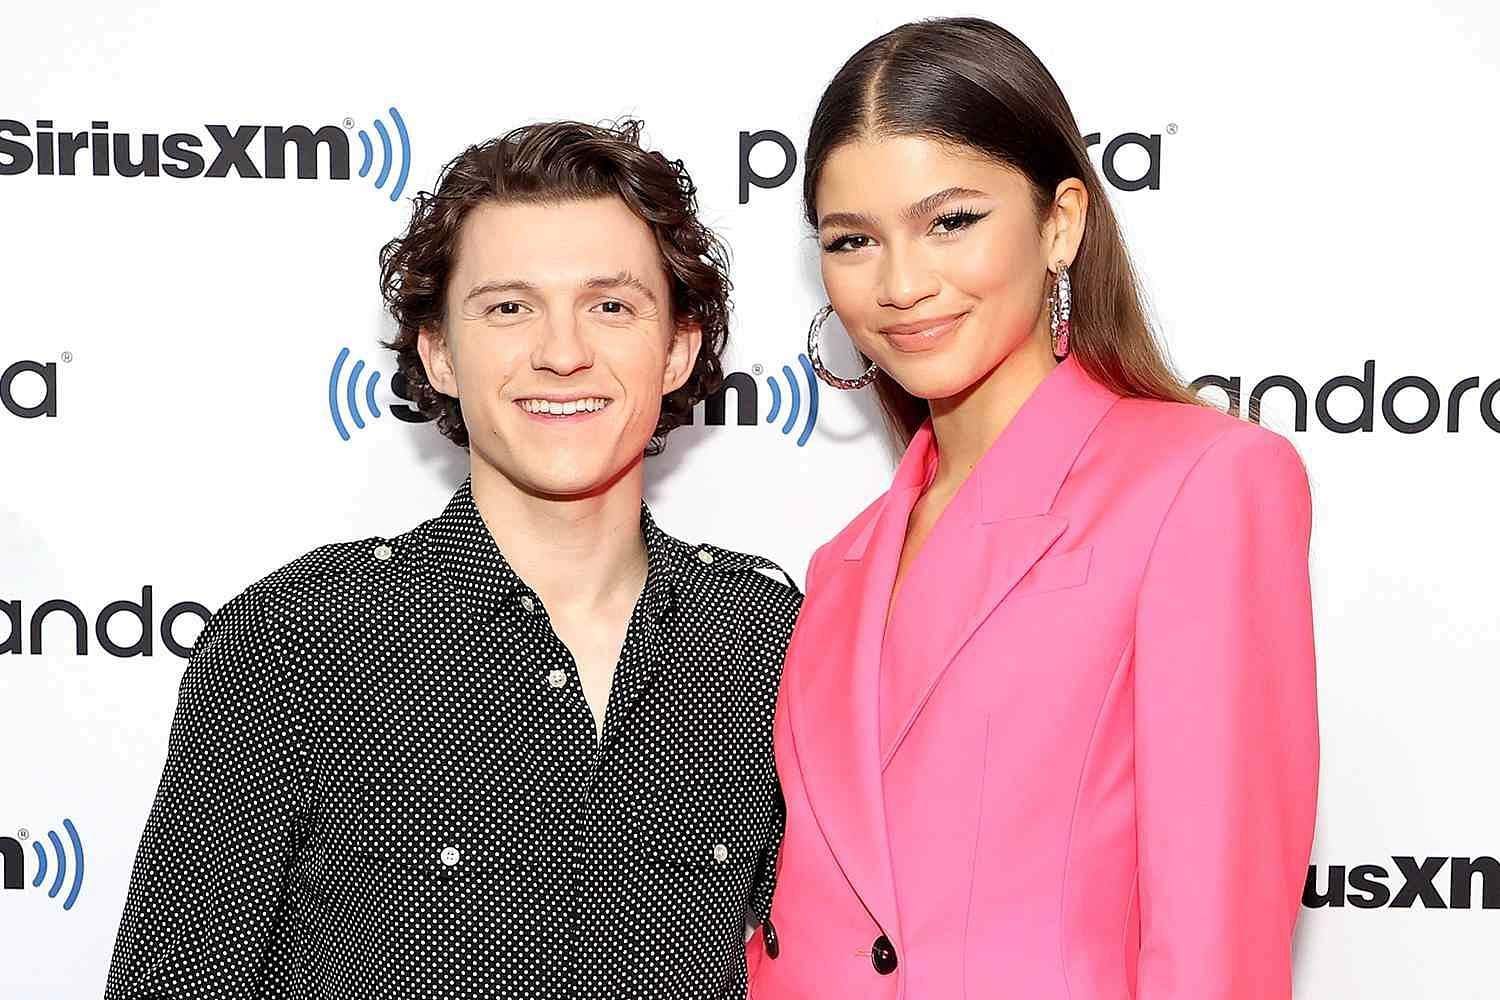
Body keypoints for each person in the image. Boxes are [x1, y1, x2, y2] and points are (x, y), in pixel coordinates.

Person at [105, 119, 799, 1000]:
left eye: (611, 305)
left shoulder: (772, 642)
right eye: (509, 307)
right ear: (437, 351)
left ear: (679, 349)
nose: (562, 352)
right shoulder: (295, 642)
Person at [749, 18, 1317, 1000]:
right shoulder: (841, 563)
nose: (902, 283)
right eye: (854, 241)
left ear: (1061, 222)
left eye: (952, 220)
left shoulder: (1202, 485)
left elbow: (1215, 945)